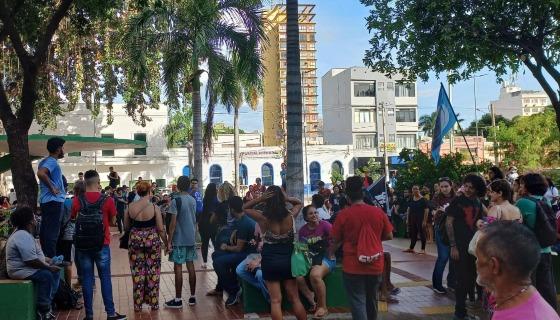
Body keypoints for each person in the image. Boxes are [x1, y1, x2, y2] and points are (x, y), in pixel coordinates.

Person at [330, 176, 393, 320]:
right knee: (372, 299)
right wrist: (373, 239)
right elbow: (389, 235)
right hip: (375, 263)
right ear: (363, 193)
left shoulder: (343, 215)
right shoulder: (377, 212)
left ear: (347, 195)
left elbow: (335, 240)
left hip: (353, 266)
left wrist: (331, 253)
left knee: (357, 301)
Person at [243, 185, 306, 320]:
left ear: (267, 199)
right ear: (281, 198)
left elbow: (245, 208)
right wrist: (287, 198)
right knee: (294, 298)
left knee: (276, 300)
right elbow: (299, 203)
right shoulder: (290, 215)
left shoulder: (262, 218)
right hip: (288, 260)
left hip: (270, 260)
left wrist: (260, 198)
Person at [475, 221, 560, 320]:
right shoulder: (511, 298)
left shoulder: (529, 316)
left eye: (478, 257)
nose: (476, 263)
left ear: (494, 266)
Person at [72, 170, 126, 320]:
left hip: (83, 246)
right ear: (98, 182)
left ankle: (89, 315)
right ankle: (110, 313)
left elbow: (73, 217)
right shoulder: (107, 200)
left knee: (87, 279)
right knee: (105, 278)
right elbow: (114, 222)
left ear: (85, 182)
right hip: (102, 244)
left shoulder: (77, 200)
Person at [6, 207, 61, 320]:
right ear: (30, 220)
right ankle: (43, 309)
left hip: (27, 268)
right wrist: (48, 268)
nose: (36, 218)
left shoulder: (25, 234)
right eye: (33, 216)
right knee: (46, 275)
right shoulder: (22, 235)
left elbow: (36, 255)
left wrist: (49, 260)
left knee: (54, 273)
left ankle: (49, 302)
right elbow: (30, 260)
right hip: (20, 270)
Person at [446, 173, 487, 320]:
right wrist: (453, 246)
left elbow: (485, 217)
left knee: (473, 278)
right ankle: (460, 312)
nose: (468, 189)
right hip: (460, 246)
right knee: (461, 279)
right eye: (467, 186)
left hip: (473, 246)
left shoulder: (478, 201)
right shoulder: (457, 201)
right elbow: (449, 223)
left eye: (472, 187)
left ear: (477, 189)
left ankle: (471, 310)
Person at [515, 173, 558, 310]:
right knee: (546, 288)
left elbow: (514, 223)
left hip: (529, 253)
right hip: (545, 251)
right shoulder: (545, 201)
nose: (520, 186)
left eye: (522, 184)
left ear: (527, 187)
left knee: (528, 290)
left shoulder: (522, 203)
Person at [125, 180, 168, 311]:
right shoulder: (154, 207)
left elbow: (126, 227)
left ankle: (138, 304)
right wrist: (166, 243)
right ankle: (153, 303)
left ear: (137, 192)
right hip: (152, 241)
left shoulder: (130, 207)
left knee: (137, 273)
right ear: (149, 191)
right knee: (153, 271)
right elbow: (160, 229)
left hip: (135, 241)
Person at [212, 196, 257, 306]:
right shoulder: (241, 220)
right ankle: (225, 284)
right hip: (244, 251)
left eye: (228, 209)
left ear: (231, 209)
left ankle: (234, 290)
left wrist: (226, 247)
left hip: (249, 254)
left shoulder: (244, 223)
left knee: (218, 262)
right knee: (216, 255)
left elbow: (238, 248)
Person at [296, 205, 336, 318]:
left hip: (326, 257)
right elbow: (302, 248)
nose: (314, 215)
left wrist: (331, 252)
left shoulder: (326, 226)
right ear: (305, 217)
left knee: (315, 274)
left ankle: (323, 307)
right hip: (310, 258)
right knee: (297, 275)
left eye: (315, 213)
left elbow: (336, 240)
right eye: (311, 213)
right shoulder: (303, 230)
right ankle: (312, 299)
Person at [165, 176, 198, 308]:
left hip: (179, 238)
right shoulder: (192, 200)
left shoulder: (175, 201)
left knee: (178, 267)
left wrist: (168, 241)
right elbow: (194, 218)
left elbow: (172, 224)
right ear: (189, 186)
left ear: (178, 186)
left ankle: (178, 299)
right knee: (191, 266)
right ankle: (192, 297)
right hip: (191, 237)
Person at [36, 136, 66, 258]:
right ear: (58, 149)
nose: (63, 150)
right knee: (52, 233)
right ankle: (51, 260)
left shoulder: (44, 161)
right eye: (62, 148)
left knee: (46, 232)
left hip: (47, 201)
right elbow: (41, 173)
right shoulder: (51, 162)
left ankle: (47, 257)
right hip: (53, 201)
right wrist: (52, 187)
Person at [432, 177, 456, 294]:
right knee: (443, 257)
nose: (444, 189)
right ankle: (437, 284)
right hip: (441, 230)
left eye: (446, 186)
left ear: (451, 186)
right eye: (442, 186)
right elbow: (435, 212)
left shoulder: (457, 198)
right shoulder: (437, 198)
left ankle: (452, 283)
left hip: (455, 231)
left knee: (454, 258)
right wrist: (438, 212)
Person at [58, 182, 84, 287]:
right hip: (82, 235)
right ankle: (85, 281)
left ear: (75, 191)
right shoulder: (87, 202)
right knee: (82, 259)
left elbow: (61, 220)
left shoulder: (67, 203)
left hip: (68, 235)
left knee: (68, 262)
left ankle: (68, 287)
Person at [235, 223, 269, 302]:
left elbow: (273, 249)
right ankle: (261, 286)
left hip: (269, 256)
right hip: (258, 255)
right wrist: (255, 243)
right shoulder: (257, 224)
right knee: (240, 270)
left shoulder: (273, 224)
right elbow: (257, 240)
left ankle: (270, 300)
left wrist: (259, 262)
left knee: (260, 274)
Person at [403, 185, 429, 254]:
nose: (415, 190)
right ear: (412, 191)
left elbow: (426, 210)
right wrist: (407, 219)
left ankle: (423, 249)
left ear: (419, 190)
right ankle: (411, 248)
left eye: (416, 189)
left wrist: (424, 221)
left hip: (420, 218)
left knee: (422, 233)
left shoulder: (423, 199)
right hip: (412, 218)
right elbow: (408, 209)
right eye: (414, 189)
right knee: (413, 233)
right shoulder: (411, 198)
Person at [198, 183, 219, 269]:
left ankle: (204, 262)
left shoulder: (205, 198)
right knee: (215, 243)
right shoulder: (216, 199)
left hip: (203, 223)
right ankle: (217, 260)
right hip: (213, 223)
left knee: (205, 243)